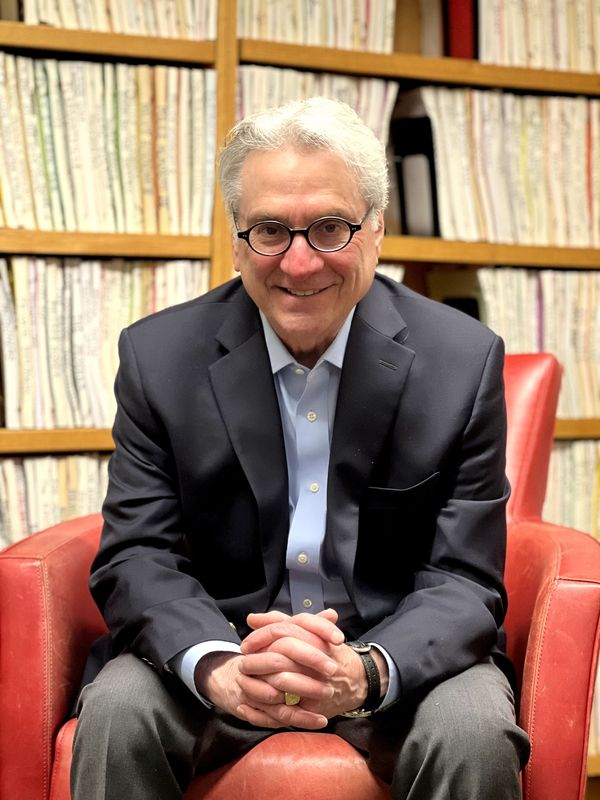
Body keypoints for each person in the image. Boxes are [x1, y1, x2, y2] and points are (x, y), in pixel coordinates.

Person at [71, 97, 530, 799]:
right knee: (118, 706)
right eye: (269, 231)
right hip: (225, 649)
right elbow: (137, 554)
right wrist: (220, 664)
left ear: (376, 231)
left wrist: (365, 671)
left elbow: (466, 580)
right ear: (235, 240)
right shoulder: (158, 358)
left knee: (474, 729)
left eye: (329, 227)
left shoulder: (461, 361)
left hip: (396, 659)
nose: (300, 261)